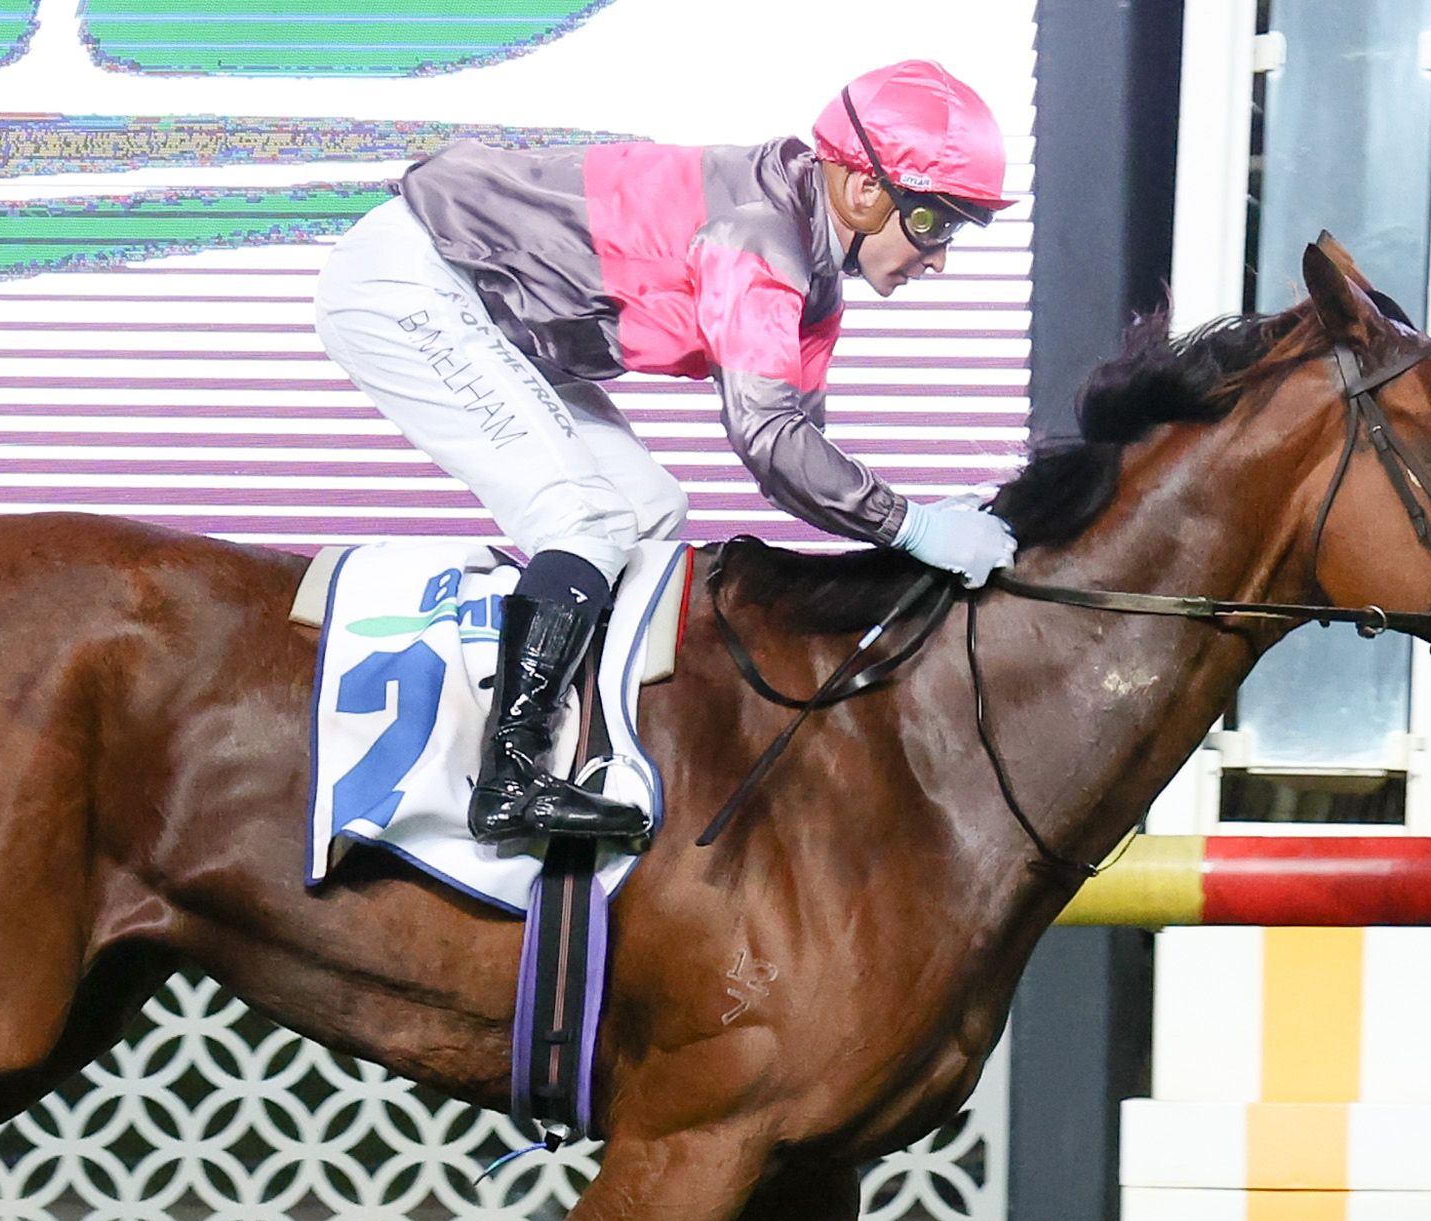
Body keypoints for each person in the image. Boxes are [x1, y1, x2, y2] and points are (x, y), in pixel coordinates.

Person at [314, 58, 1018, 845]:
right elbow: (770, 444)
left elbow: (799, 447)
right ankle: (506, 778)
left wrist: (913, 519)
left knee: (650, 510)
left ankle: (588, 752)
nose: (941, 256)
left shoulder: (813, 276)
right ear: (864, 189)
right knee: (580, 518)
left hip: (493, 308)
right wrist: (912, 527)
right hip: (410, 278)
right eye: (935, 222)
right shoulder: (760, 238)